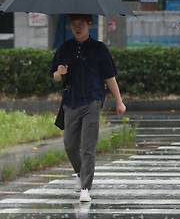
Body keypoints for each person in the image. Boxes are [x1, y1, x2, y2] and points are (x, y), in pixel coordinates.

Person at [51, 14, 126, 203]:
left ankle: (85, 187)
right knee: (69, 145)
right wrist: (59, 73)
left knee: (88, 147)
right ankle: (79, 173)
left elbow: (110, 77)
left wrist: (119, 101)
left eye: (81, 24)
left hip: (92, 100)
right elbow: (54, 76)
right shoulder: (65, 48)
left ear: (89, 25)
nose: (77, 27)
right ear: (70, 26)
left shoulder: (99, 49)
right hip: (70, 102)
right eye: (74, 25)